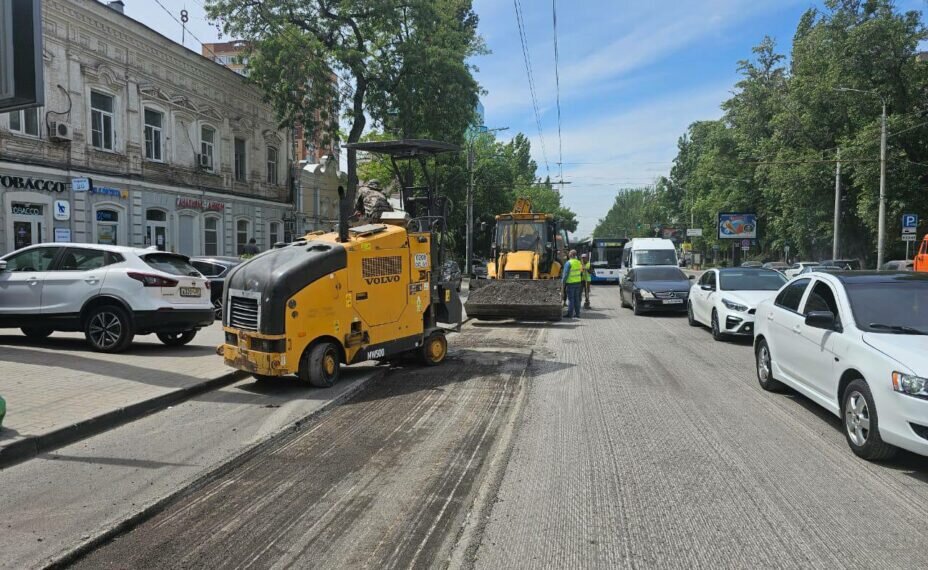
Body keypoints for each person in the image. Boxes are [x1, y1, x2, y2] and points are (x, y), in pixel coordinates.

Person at [562, 249, 583, 319]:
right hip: (578, 283)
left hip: (570, 283)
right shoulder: (579, 262)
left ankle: (570, 314)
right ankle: (577, 314)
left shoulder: (568, 263)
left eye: (569, 253)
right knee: (577, 299)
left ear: (570, 255)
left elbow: (565, 274)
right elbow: (581, 272)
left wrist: (562, 283)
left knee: (571, 299)